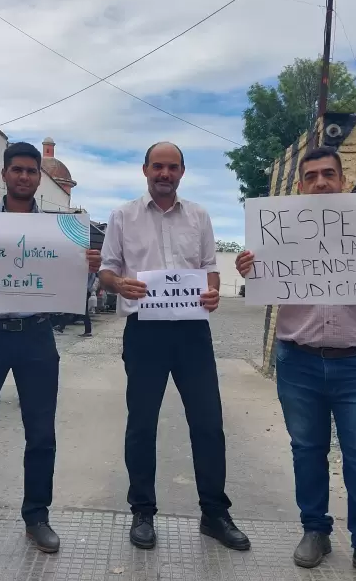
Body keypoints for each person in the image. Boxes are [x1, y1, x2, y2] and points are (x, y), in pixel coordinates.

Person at [235, 146, 356, 581]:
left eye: (329, 175)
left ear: (343, 181)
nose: (320, 183)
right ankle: (315, 531)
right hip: (297, 360)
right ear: (300, 186)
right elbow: (262, 281)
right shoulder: (278, 233)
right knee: (307, 451)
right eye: (312, 176)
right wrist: (249, 269)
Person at [0, 142, 101, 558]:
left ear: (38, 178)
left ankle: (36, 517)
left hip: (36, 336)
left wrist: (89, 270)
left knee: (41, 433)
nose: (24, 177)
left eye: (31, 171)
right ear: (4, 174)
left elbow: (74, 291)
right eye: (17, 170)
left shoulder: (59, 232)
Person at [99, 141, 249, 552]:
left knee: (207, 423)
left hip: (191, 332)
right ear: (144, 169)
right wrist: (118, 284)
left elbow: (208, 269)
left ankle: (214, 513)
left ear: (183, 172)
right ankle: (143, 511)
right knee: (142, 424)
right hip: (144, 330)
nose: (165, 174)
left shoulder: (199, 215)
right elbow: (107, 270)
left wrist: (213, 293)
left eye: (173, 167)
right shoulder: (122, 216)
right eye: (158, 167)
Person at [80, 272, 98, 338]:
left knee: (84, 311)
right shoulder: (91, 271)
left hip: (85, 291)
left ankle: (88, 331)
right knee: (83, 311)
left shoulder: (90, 271)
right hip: (86, 291)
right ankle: (88, 331)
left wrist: (86, 289)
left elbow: (89, 282)